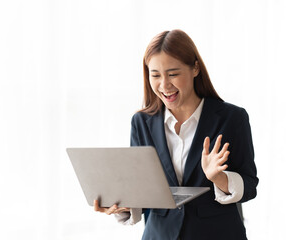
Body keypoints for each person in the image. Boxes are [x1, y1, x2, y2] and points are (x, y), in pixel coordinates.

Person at [94, 29, 258, 240]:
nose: (164, 85)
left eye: (173, 74)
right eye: (155, 75)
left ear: (195, 68)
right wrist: (121, 206)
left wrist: (219, 178)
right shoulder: (141, 123)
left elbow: (250, 186)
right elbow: (144, 191)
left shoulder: (232, 118)